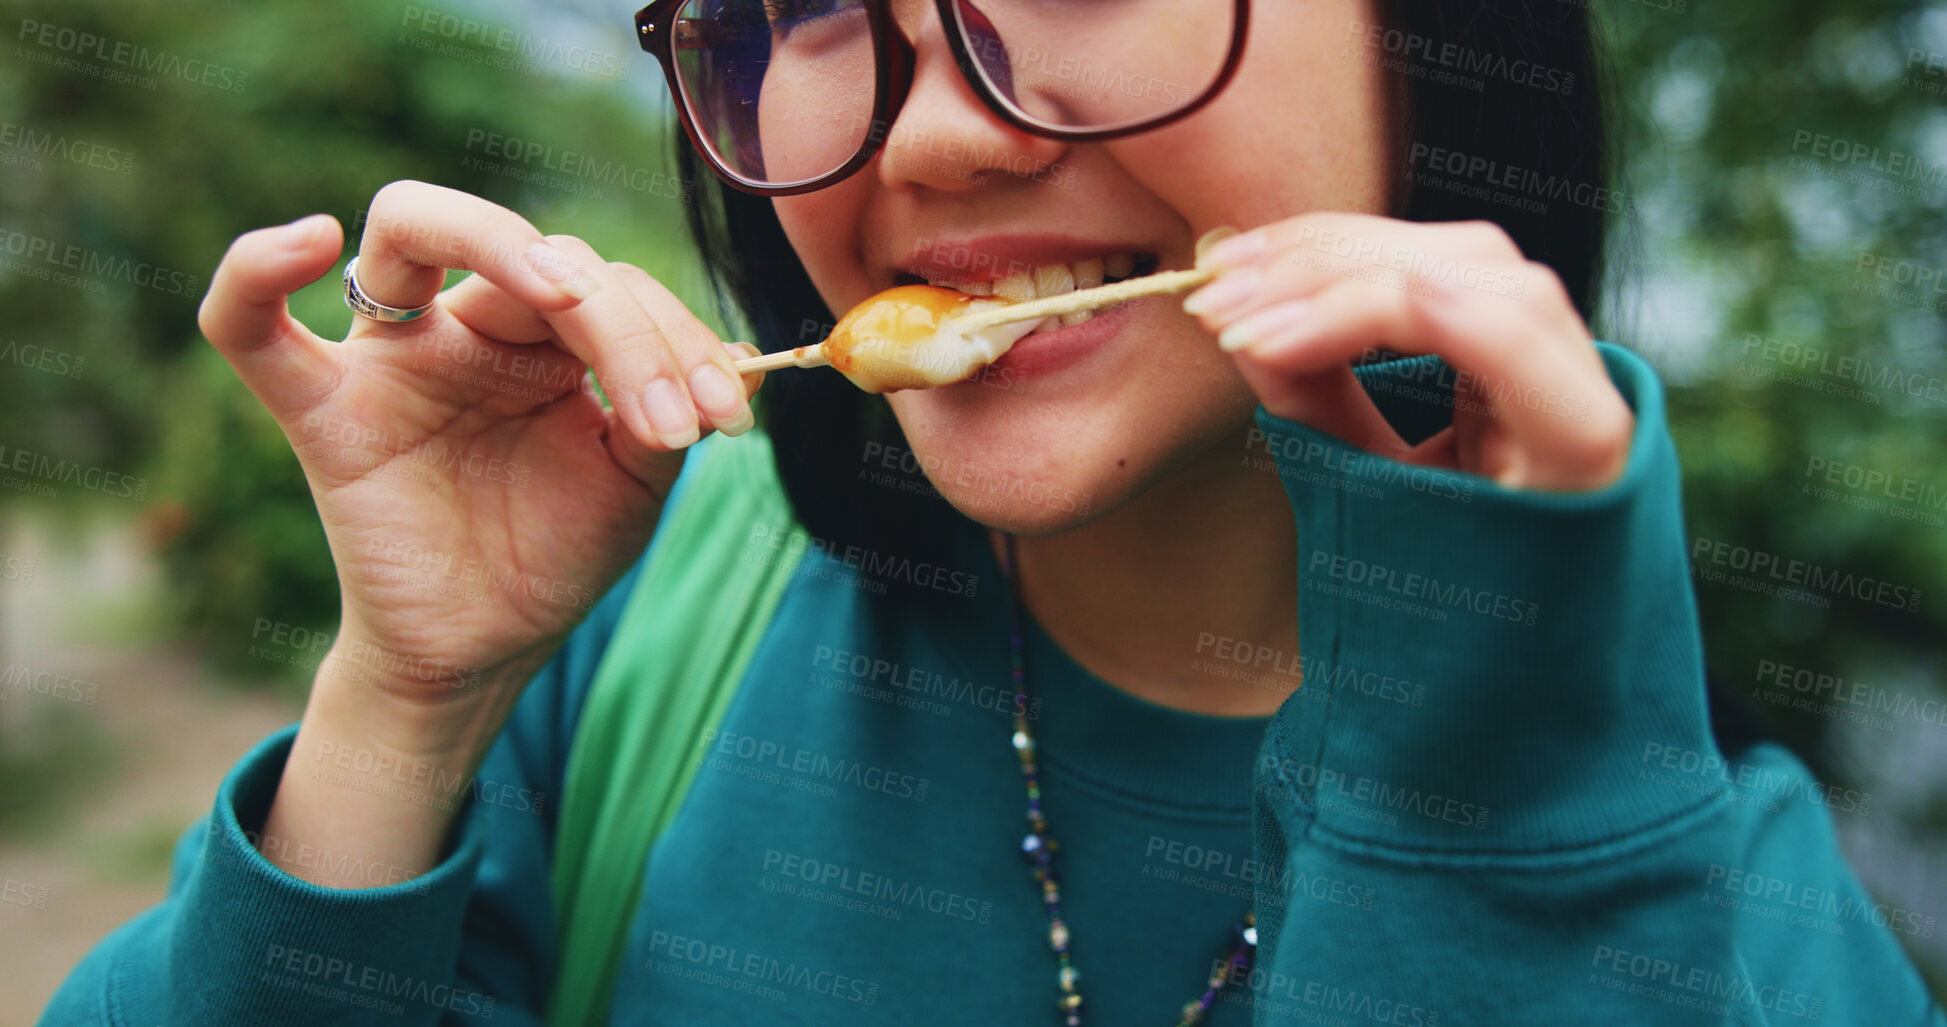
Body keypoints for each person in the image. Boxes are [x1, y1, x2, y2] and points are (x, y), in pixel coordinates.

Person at [39, 0, 1944, 1024]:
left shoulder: (1739, 940)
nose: (941, 131)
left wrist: (1482, 856)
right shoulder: (632, 651)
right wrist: (409, 698)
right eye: (802, 3)